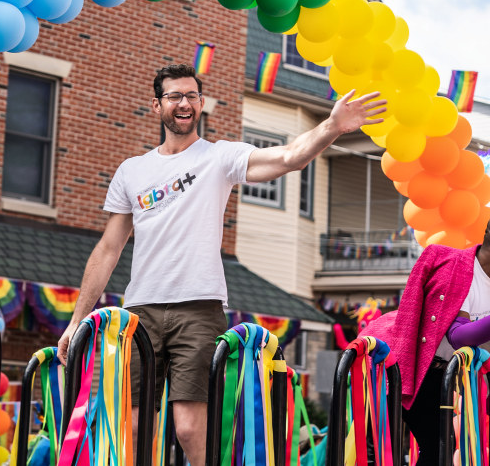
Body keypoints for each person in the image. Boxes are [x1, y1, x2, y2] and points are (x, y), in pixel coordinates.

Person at [56, 63, 386, 465]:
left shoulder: (219, 157)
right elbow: (108, 249)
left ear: (200, 104)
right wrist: (77, 321)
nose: (184, 104)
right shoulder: (132, 171)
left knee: (190, 429)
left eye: (192, 96)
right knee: (133, 427)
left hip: (198, 307)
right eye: (175, 96)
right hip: (138, 312)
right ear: (157, 104)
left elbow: (288, 157)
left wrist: (331, 127)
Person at [361, 219, 490, 466]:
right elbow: (459, 335)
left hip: (442, 373)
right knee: (379, 449)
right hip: (398, 362)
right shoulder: (457, 268)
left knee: (443, 448)